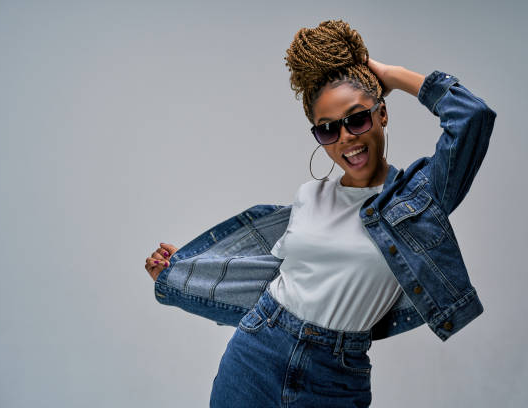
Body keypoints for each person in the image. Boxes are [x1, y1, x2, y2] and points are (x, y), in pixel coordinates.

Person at [144, 19, 496, 407]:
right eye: (327, 129)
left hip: (337, 375)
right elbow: (260, 280)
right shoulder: (310, 197)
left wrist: (391, 76)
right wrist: (181, 274)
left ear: (382, 115)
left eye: (357, 118)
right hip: (256, 352)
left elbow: (472, 116)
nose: (346, 137)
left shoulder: (420, 197)